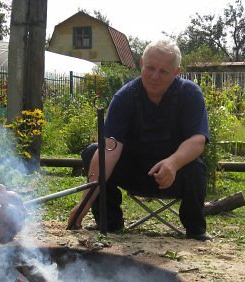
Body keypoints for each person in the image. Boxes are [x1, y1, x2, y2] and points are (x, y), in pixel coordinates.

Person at [68, 39, 211, 241]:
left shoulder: (190, 93)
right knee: (94, 152)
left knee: (196, 168)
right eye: (150, 68)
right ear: (141, 63)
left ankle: (196, 231)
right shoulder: (125, 97)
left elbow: (197, 140)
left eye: (163, 71)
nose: (154, 76)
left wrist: (172, 163)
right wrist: (82, 207)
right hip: (134, 173)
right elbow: (110, 149)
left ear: (177, 72)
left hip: (172, 176)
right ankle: (110, 224)